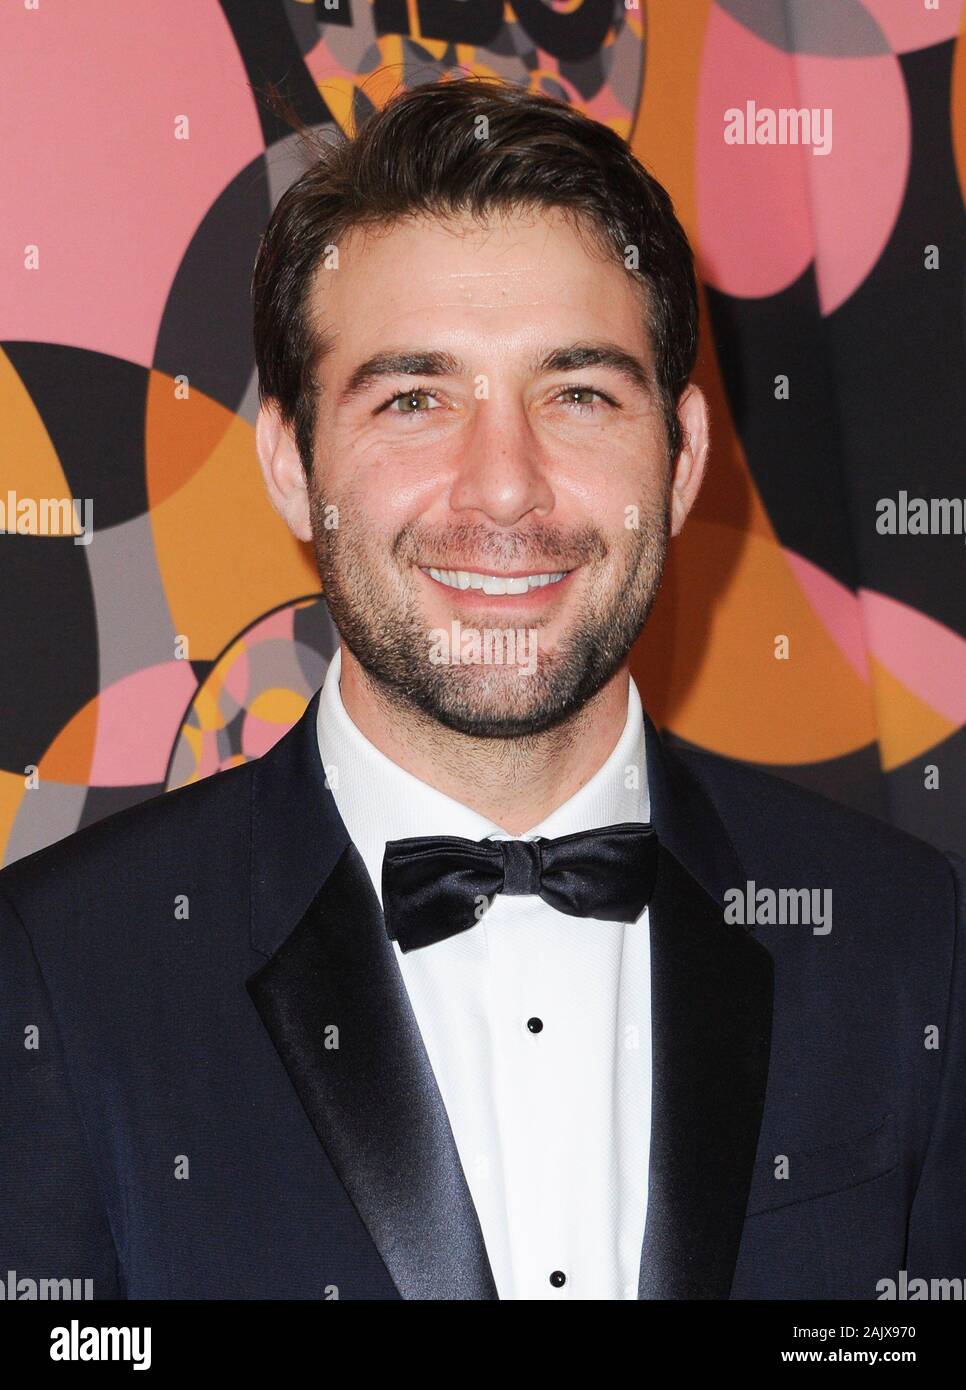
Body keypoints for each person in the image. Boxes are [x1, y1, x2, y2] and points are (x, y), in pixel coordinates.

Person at [1, 77, 963, 1301]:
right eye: (415, 398)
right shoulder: (58, 970)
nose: (503, 489)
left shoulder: (902, 938)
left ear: (682, 463)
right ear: (294, 467)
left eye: (578, 395)